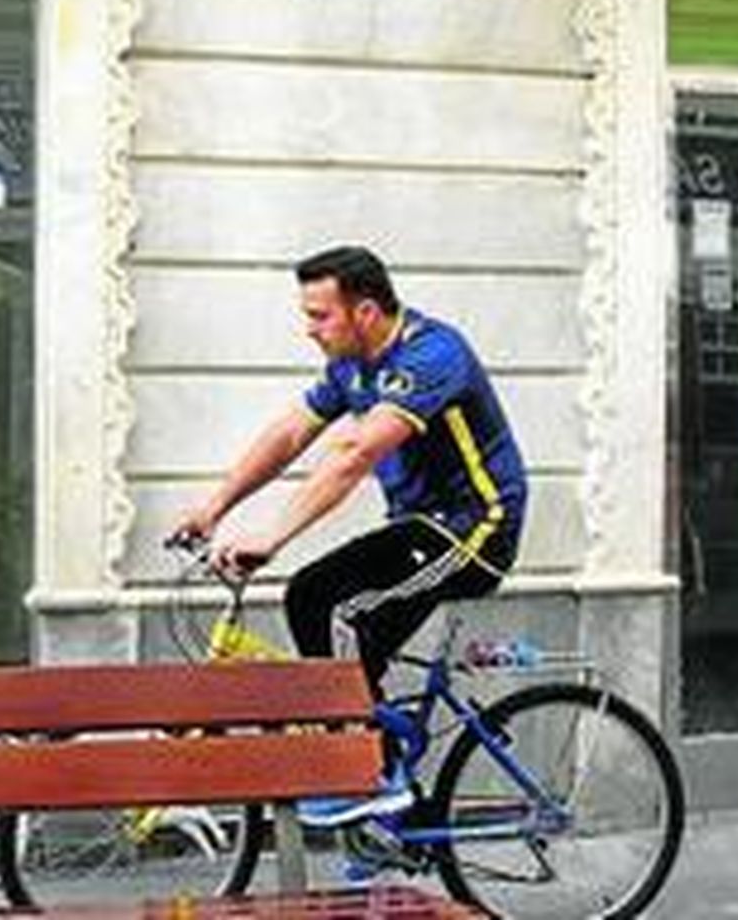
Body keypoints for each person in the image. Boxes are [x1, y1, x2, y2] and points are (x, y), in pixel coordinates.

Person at [170, 245, 527, 825]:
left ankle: (370, 774)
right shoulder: (351, 367)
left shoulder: (433, 354)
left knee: (344, 615)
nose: (308, 329)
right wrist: (216, 506)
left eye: (319, 315)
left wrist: (272, 536)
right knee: (308, 595)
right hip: (417, 528)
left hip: (475, 530)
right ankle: (384, 807)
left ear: (364, 311)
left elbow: (356, 454)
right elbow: (290, 435)